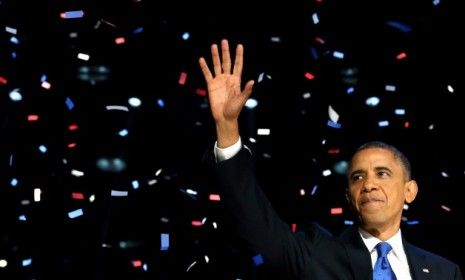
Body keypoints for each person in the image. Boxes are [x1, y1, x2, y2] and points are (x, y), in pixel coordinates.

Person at [198, 39, 463, 279]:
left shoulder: (443, 272)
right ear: (348, 195)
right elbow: (253, 218)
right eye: (357, 177)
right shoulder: (316, 254)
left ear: (410, 191)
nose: (368, 184)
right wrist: (227, 127)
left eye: (382, 173)